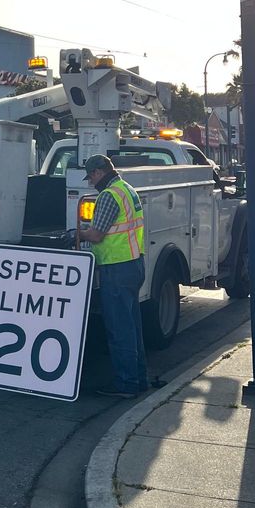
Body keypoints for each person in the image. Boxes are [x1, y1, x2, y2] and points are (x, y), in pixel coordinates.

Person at [82, 152, 149, 398]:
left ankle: (126, 383)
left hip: (117, 269)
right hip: (133, 263)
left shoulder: (109, 195)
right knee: (132, 327)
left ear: (99, 172)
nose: (91, 182)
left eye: (91, 177)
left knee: (119, 329)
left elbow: (96, 234)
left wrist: (77, 234)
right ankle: (139, 379)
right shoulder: (127, 189)